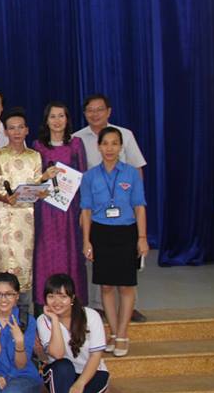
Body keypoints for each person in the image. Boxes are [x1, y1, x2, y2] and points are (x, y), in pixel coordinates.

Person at [80, 127, 148, 358]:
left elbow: (139, 207)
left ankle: (122, 333)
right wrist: (86, 241)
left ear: (121, 147)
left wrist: (142, 238)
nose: (109, 148)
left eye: (114, 143)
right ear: (98, 147)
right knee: (106, 286)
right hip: (101, 233)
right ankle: (112, 331)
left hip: (126, 233)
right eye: (105, 143)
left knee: (126, 286)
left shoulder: (131, 174)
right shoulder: (90, 176)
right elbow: (86, 210)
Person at [0, 108, 55, 307]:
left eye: (20, 127)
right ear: (6, 131)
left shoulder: (35, 156)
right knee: (1, 262)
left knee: (24, 262)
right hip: (1, 214)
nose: (16, 132)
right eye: (11, 128)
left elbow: (37, 184)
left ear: (27, 130)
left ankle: (24, 312)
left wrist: (42, 189)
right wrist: (5, 197)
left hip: (26, 216)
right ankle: (0, 309)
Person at [33, 102, 88, 306]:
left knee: (70, 252)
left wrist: (83, 210)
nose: (57, 121)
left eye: (61, 116)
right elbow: (34, 179)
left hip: (70, 209)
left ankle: (73, 302)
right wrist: (44, 176)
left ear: (67, 119)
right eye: (52, 116)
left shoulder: (76, 144)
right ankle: (45, 302)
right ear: (46, 120)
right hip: (46, 208)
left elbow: (83, 177)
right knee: (46, 252)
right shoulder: (38, 145)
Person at [72, 93, 147, 171]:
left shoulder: (125, 134)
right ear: (84, 114)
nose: (95, 114)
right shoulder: (76, 138)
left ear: (109, 112)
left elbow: (136, 167)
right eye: (90, 110)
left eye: (100, 109)